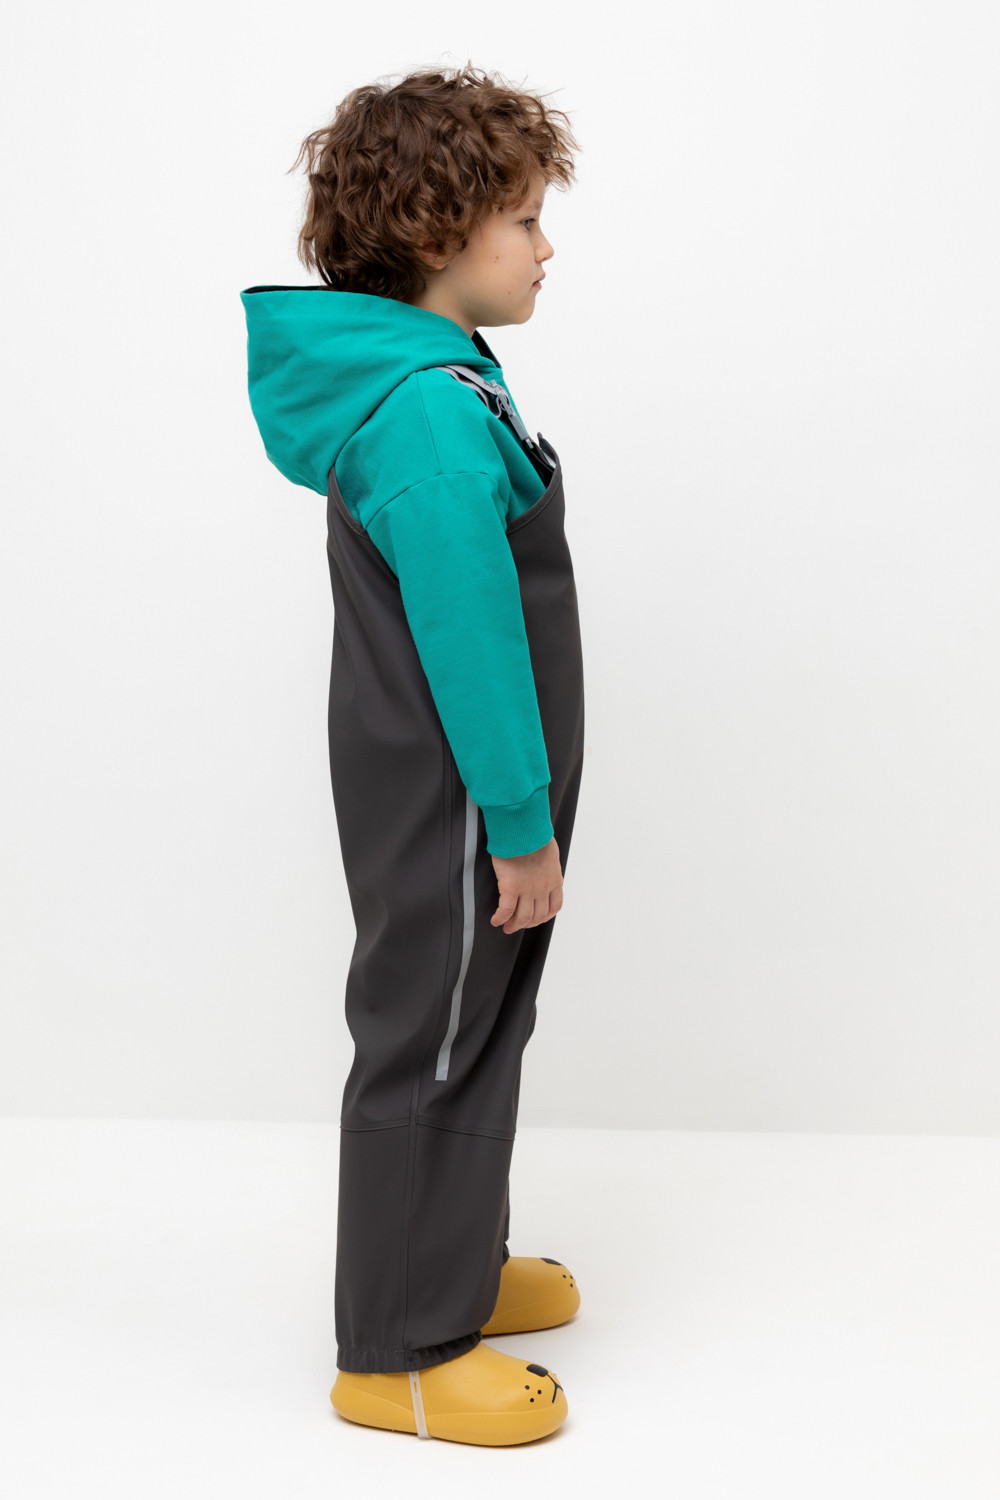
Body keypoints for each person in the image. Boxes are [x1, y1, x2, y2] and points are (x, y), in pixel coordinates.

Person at [239, 62, 586, 1446]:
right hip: (457, 801)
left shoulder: (445, 384)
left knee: (475, 1023)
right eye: (527, 220)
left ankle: (449, 1266)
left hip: (467, 796)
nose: (549, 247)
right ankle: (398, 1349)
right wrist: (520, 818)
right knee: (430, 1039)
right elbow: (470, 640)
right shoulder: (431, 415)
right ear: (442, 233)